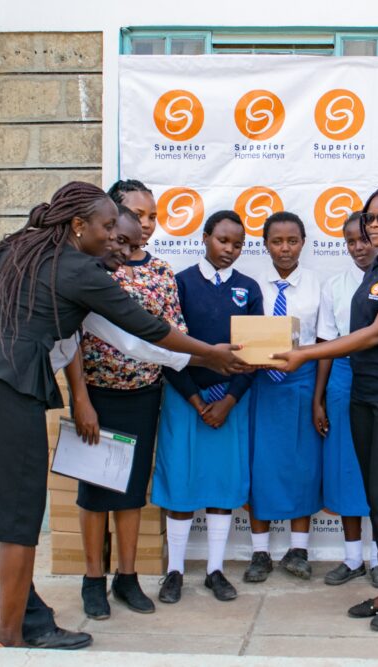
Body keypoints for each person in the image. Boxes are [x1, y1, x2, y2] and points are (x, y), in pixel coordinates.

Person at [0, 181, 249, 648]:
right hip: (6, 388)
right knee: (17, 518)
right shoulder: (79, 269)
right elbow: (146, 328)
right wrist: (212, 355)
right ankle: (11, 634)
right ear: (78, 226)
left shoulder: (14, 249)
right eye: (107, 227)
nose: (115, 237)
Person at [273, 187, 378, 632]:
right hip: (365, 395)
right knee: (376, 497)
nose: (374, 224)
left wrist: (305, 353)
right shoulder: (376, 269)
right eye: (369, 218)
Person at [64, 204, 186, 619]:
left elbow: (173, 331)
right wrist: (80, 399)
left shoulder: (159, 272)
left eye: (140, 229)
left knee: (132, 490)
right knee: (96, 491)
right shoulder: (86, 271)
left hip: (144, 391)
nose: (128, 243)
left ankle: (127, 578)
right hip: (97, 393)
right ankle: (93, 580)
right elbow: (71, 340)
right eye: (121, 232)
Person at [155, 210, 263, 604]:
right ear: (205, 237)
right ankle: (175, 572)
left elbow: (254, 354)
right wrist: (198, 400)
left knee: (221, 485)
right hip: (186, 398)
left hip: (229, 402)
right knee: (181, 483)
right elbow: (167, 348)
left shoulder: (249, 289)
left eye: (237, 244)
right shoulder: (179, 283)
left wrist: (229, 400)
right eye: (222, 240)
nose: (229, 250)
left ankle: (215, 569)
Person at [245, 212, 324, 584]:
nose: (285, 248)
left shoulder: (316, 285)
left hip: (302, 382)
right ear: (265, 245)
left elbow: (323, 344)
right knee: (259, 464)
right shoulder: (251, 284)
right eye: (277, 241)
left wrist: (317, 397)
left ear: (303, 243)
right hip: (261, 383)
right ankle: (259, 552)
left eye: (292, 240)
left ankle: (298, 549)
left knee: (302, 464)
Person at [313, 212, 378, 588]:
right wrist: (319, 398)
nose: (359, 247)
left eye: (364, 239)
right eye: (351, 241)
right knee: (346, 468)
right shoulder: (336, 285)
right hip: (342, 380)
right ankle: (353, 557)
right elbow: (326, 344)